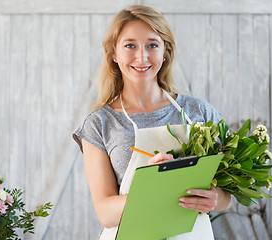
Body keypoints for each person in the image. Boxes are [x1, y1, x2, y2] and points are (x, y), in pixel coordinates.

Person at [73, 5, 231, 239]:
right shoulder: (100, 124)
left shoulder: (199, 112)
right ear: (114, 54)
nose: (142, 57)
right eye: (130, 46)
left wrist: (216, 198)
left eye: (152, 45)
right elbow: (105, 212)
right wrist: (149, 184)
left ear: (165, 51)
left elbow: (227, 198)